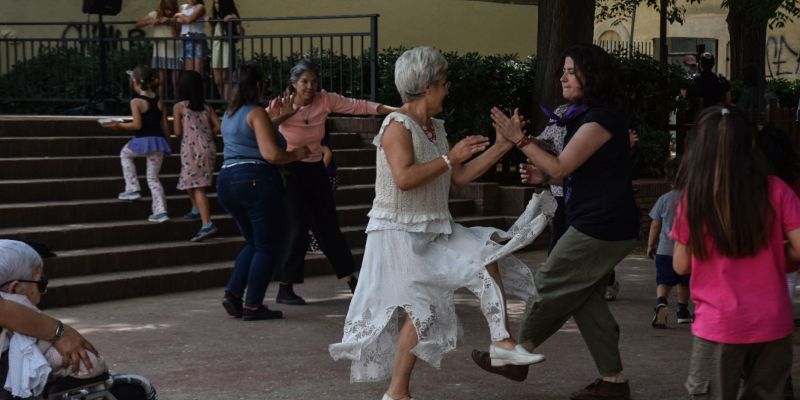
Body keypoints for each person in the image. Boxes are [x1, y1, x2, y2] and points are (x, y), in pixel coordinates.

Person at [329, 46, 553, 400]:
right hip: (399, 235)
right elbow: (404, 177)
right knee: (424, 309)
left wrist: (502, 146)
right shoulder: (396, 126)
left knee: (485, 252)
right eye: (444, 83)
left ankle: (500, 344)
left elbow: (459, 177)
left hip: (434, 228)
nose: (448, 90)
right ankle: (398, 392)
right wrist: (450, 158)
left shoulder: (434, 127)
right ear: (427, 86)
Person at [484, 44, 639, 400]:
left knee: (549, 283)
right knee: (585, 300)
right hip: (600, 221)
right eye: (563, 71)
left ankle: (516, 355)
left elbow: (561, 166)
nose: (563, 77)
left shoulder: (601, 118)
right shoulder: (584, 116)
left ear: (591, 75)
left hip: (601, 224)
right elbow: (574, 173)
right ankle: (613, 382)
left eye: (571, 71)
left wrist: (519, 140)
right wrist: (545, 179)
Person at [671, 106, 799, 399]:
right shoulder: (777, 190)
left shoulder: (694, 198)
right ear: (752, 147)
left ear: (699, 149)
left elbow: (680, 265)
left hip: (718, 325)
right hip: (773, 322)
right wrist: (778, 252)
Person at [266, 60, 397, 305]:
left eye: (314, 82)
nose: (310, 86)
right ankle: (285, 287)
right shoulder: (280, 105)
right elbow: (258, 127)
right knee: (296, 227)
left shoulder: (324, 100)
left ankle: (352, 280)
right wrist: (281, 117)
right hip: (289, 169)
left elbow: (358, 106)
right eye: (304, 81)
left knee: (328, 225)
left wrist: (395, 110)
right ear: (294, 84)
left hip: (316, 169)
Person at [217, 63, 310, 321]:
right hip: (255, 181)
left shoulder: (230, 113)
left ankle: (233, 294)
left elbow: (254, 133)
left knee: (255, 242)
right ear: (258, 86)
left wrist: (281, 117)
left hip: (226, 180)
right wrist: (296, 154)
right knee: (268, 246)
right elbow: (271, 154)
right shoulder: (256, 112)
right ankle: (253, 306)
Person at [105, 65, 172, 223]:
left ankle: (132, 188)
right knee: (153, 178)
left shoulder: (136, 101)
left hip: (142, 140)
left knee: (125, 154)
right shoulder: (159, 101)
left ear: (134, 82)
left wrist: (119, 125)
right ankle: (161, 211)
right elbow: (165, 126)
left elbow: (137, 125)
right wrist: (167, 143)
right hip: (158, 142)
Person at [173, 70, 222, 241]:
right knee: (189, 179)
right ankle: (195, 209)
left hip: (191, 149)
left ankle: (207, 223)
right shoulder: (207, 107)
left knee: (197, 186)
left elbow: (177, 132)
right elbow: (218, 126)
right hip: (208, 148)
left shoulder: (179, 107)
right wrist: (208, 134)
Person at [646, 157, 691, 328]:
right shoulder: (694, 199)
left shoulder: (664, 199)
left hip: (664, 250)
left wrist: (651, 245)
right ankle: (682, 311)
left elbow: (655, 224)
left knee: (663, 281)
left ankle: (661, 303)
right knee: (684, 282)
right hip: (686, 250)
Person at [135, 0, 182, 100]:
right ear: (162, 8)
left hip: (175, 51)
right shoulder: (155, 14)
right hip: (160, 51)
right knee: (161, 80)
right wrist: (151, 21)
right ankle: (159, 102)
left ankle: (178, 102)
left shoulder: (177, 17)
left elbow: (176, 34)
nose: (168, 12)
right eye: (166, 9)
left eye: (170, 10)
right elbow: (138, 24)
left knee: (176, 81)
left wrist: (170, 22)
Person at [307, 131, 338, 255]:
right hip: (329, 176)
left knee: (317, 211)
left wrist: (317, 173)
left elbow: (328, 154)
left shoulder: (317, 137)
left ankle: (318, 245)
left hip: (326, 177)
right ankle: (319, 244)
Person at [209, 0, 243, 101]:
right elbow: (214, 34)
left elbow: (241, 33)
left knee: (226, 79)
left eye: (218, 3)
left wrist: (235, 20)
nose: (216, 6)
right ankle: (225, 101)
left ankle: (227, 104)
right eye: (215, 3)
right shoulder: (216, 18)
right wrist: (211, 24)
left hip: (226, 48)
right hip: (216, 49)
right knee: (218, 80)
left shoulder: (231, 16)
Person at [176, 0, 206, 73]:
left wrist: (179, 15)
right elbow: (178, 21)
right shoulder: (182, 7)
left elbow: (189, 19)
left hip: (197, 40)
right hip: (186, 39)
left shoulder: (200, 7)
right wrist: (182, 18)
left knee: (197, 73)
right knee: (189, 73)